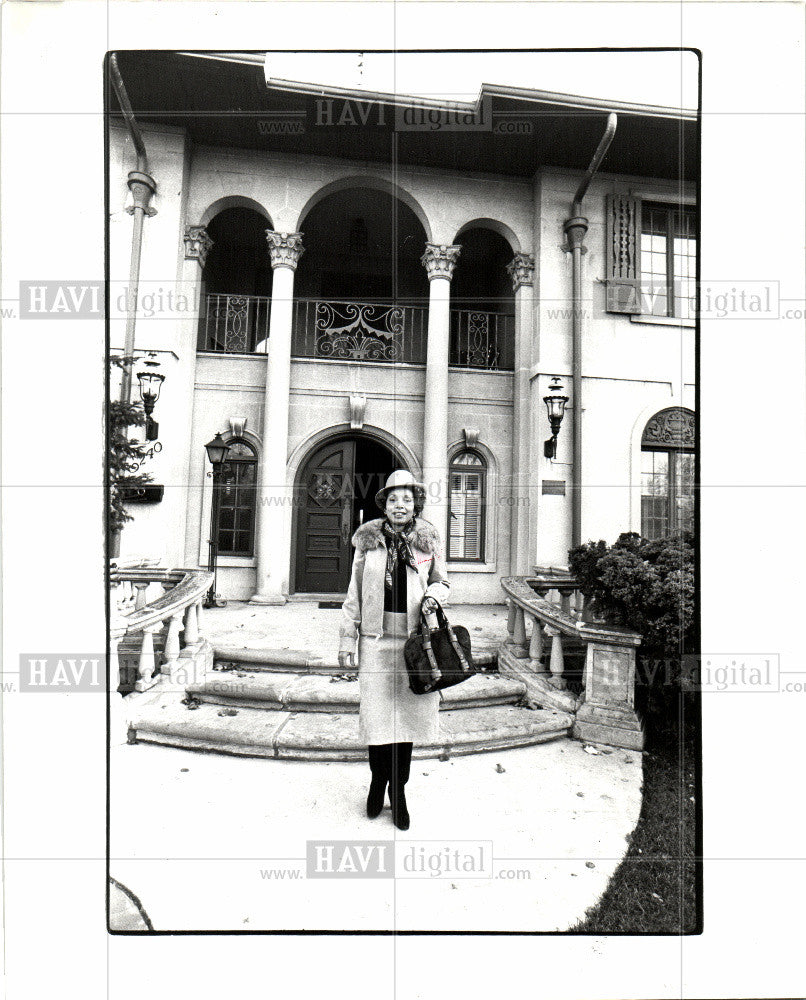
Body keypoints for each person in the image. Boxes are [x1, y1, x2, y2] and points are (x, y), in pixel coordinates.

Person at [338, 470, 450, 830]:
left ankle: (398, 792)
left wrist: (433, 596)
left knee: (409, 720)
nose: (399, 505)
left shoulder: (427, 542)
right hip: (375, 640)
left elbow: (441, 581)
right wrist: (346, 639)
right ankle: (377, 782)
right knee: (377, 718)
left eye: (406, 499)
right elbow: (354, 592)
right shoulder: (367, 542)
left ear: (416, 503)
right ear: (383, 506)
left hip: (414, 643)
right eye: (392, 499)